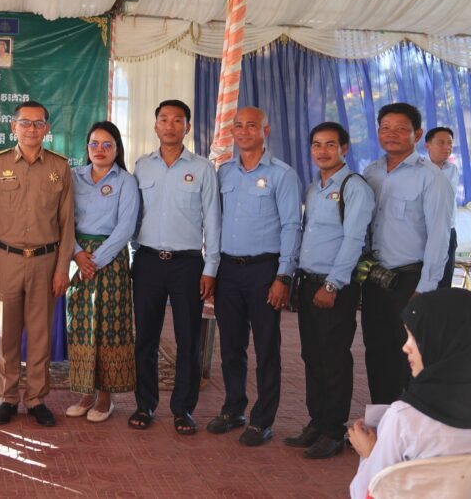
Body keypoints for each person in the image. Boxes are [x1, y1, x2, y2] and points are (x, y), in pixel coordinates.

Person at [209, 106, 301, 447]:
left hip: (265, 270)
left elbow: (292, 226)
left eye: (252, 125)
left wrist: (283, 276)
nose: (244, 131)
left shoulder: (282, 175)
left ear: (266, 130)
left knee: (266, 347)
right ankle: (234, 408)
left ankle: (263, 420)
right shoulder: (224, 173)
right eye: (239, 126)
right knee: (231, 345)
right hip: (228, 270)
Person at [348, 288, 471, 499]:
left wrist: (369, 453)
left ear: (443, 342)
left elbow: (366, 492)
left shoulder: (405, 419)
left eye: (415, 338)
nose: (405, 347)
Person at [0, 101, 74, 427]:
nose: (31, 129)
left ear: (47, 128)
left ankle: (36, 399)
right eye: (25, 123)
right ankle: (7, 398)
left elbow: (67, 224)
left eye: (38, 123)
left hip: (45, 262)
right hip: (6, 261)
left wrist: (62, 268)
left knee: (40, 335)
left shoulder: (60, 167)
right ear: (13, 127)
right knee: (6, 335)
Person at [129, 101, 219, 434]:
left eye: (177, 120)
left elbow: (213, 221)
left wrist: (211, 268)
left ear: (187, 127)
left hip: (188, 265)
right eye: (164, 120)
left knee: (188, 339)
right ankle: (145, 405)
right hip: (148, 262)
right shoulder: (142, 166)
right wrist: (133, 255)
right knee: (145, 338)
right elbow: (133, 215)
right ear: (155, 126)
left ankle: (183, 409)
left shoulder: (203, 168)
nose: (170, 126)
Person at [286, 122, 375, 459]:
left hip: (334, 286)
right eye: (316, 145)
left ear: (344, 149)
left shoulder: (354, 187)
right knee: (312, 355)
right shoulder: (314, 188)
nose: (322, 151)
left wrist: (332, 284)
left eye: (330, 145)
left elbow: (353, 240)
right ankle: (317, 421)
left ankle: (334, 431)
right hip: (309, 283)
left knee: (334, 357)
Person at [362, 103, 454, 405]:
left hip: (411, 281)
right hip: (375, 278)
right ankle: (383, 420)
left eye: (401, 128)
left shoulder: (432, 178)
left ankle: (413, 422)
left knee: (411, 355)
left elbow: (439, 237)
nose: (392, 134)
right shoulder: (371, 172)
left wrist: (425, 289)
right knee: (377, 352)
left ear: (417, 134)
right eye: (385, 128)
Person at [65, 120, 139, 424]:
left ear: (117, 149)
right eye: (94, 144)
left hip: (111, 261)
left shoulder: (126, 181)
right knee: (81, 326)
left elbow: (126, 227)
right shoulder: (73, 177)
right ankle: (85, 393)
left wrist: (94, 260)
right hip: (78, 257)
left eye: (107, 145)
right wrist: (78, 254)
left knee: (109, 328)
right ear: (87, 147)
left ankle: (106, 397)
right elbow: (63, 220)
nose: (100, 149)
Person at [425, 127, 459, 289]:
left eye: (450, 143)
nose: (447, 147)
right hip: (424, 231)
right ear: (428, 145)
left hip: (448, 230)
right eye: (441, 143)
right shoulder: (418, 169)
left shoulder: (453, 169)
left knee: (445, 279)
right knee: (424, 279)